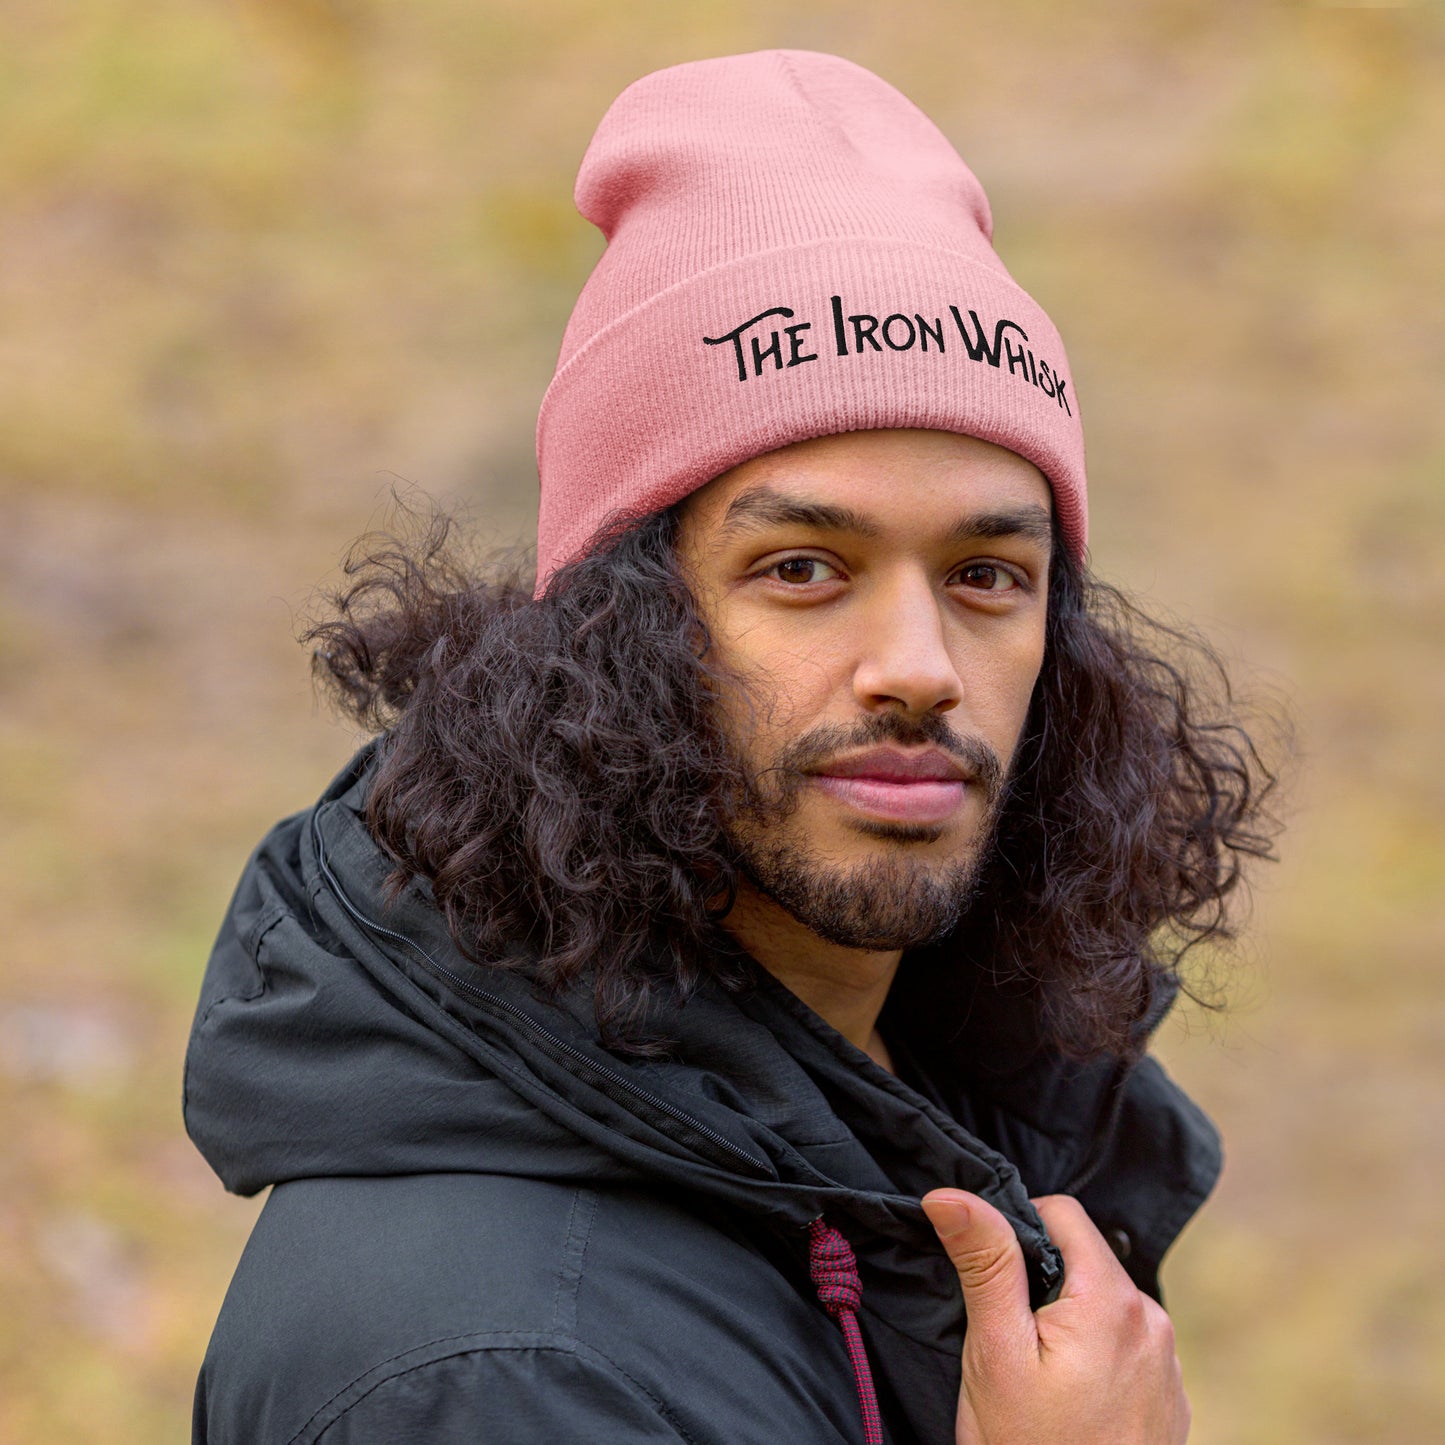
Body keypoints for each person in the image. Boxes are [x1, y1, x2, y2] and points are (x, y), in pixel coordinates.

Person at [185, 50, 1279, 1444]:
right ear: (615, 631)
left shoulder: (920, 1113)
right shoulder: (501, 1370)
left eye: (986, 575)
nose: (918, 669)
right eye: (804, 568)